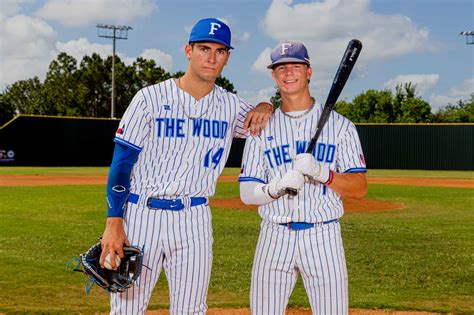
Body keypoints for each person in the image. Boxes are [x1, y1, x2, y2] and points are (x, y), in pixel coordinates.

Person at [99, 18, 273, 314]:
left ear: (227, 58)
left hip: (194, 218)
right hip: (142, 216)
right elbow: (121, 163)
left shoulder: (231, 107)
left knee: (192, 309)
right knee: (126, 308)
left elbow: (269, 123)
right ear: (188, 50)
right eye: (204, 48)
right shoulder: (149, 99)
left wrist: (266, 105)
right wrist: (114, 223)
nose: (211, 57)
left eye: (220, 51)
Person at [238, 41, 368, 315]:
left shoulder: (341, 126)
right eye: (281, 68)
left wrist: (323, 173)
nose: (288, 73)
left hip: (323, 234)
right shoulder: (261, 127)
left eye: (296, 66)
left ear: (308, 72)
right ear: (274, 75)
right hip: (274, 236)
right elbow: (247, 194)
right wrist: (277, 187)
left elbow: (359, 189)